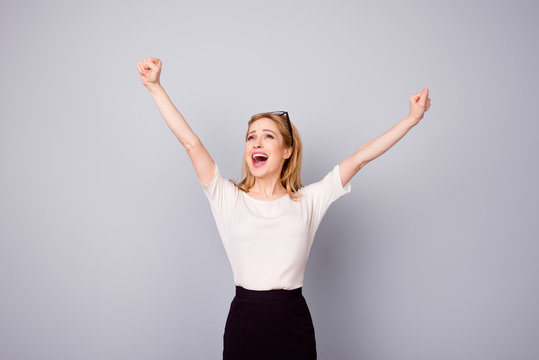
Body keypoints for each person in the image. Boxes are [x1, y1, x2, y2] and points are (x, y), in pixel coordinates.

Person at [136, 57, 431, 360]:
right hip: (244, 326)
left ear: (286, 151)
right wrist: (155, 87)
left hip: (293, 326)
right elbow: (191, 143)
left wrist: (411, 119)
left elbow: (358, 159)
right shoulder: (227, 197)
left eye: (268, 136)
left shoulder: (308, 201)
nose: (256, 143)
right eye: (251, 137)